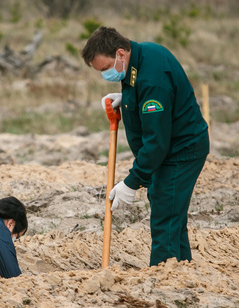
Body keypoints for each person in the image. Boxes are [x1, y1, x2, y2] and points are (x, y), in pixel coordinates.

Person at [81, 26, 209, 266]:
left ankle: (164, 276)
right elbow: (144, 94)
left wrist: (132, 182)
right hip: (169, 148)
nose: (105, 75)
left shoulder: (152, 79)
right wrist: (127, 100)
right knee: (171, 214)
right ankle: (181, 270)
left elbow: (156, 141)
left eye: (106, 68)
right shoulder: (141, 57)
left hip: (180, 151)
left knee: (165, 216)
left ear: (120, 53)